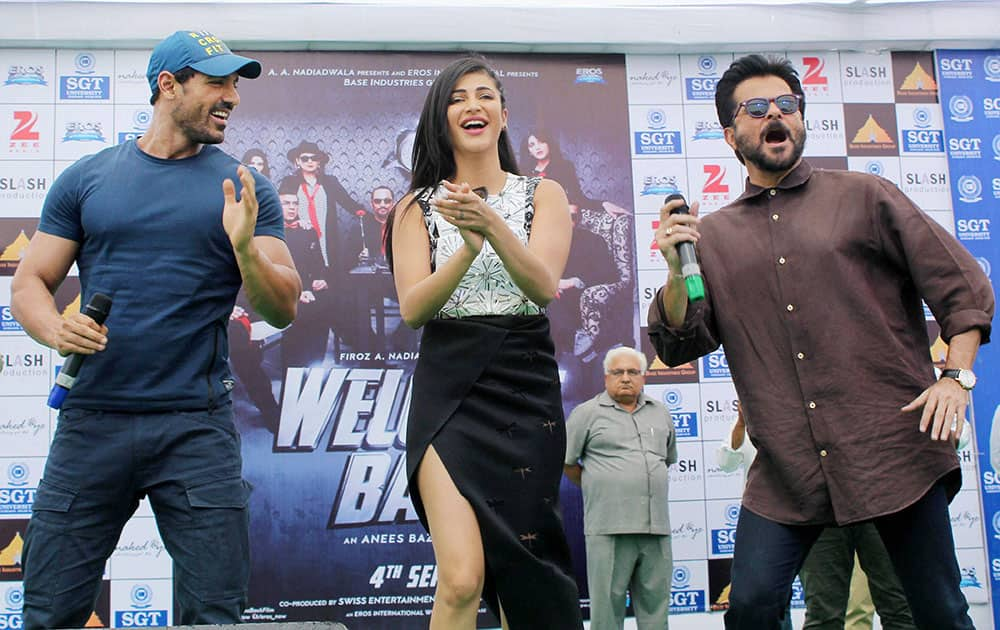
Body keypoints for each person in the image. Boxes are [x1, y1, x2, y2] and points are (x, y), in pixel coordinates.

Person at [647, 54, 993, 630]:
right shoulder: (713, 238)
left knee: (937, 611)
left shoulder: (866, 196)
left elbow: (962, 289)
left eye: (787, 105)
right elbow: (679, 342)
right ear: (732, 134)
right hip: (787, 469)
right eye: (756, 109)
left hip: (893, 453)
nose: (775, 115)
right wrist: (673, 268)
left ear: (803, 119)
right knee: (753, 606)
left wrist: (955, 378)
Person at [11, 30, 301, 627]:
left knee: (213, 616)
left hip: (196, 426)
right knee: (49, 612)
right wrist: (55, 330)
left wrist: (244, 246)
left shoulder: (245, 189)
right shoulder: (88, 178)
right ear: (167, 85)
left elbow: (283, 308)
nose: (233, 98)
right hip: (92, 421)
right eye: (217, 83)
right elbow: (29, 283)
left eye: (235, 86)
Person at [385, 55, 582, 629]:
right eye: (457, 98)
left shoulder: (543, 194)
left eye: (485, 95)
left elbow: (542, 287)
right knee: (462, 578)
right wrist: (466, 250)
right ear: (440, 119)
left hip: (525, 387)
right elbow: (414, 308)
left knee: (526, 570)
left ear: (503, 113)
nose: (473, 105)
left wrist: (489, 223)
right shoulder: (413, 208)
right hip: (448, 391)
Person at [717, 405, 918, 630]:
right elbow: (726, 461)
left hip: (877, 502)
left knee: (898, 608)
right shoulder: (766, 406)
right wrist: (742, 423)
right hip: (817, 508)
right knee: (822, 613)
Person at [564, 346, 676, 630]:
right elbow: (566, 463)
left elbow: (668, 459)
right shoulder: (586, 413)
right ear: (606, 378)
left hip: (655, 530)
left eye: (632, 372)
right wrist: (598, 483)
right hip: (608, 529)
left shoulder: (661, 412)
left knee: (656, 614)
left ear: (643, 378)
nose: (625, 378)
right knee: (606, 616)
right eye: (618, 372)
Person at [277, 179, 329, 371]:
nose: (292, 208)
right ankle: (292, 375)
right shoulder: (269, 232)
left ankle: (316, 370)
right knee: (298, 317)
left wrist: (321, 278)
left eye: (295, 203)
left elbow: (319, 264)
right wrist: (299, 292)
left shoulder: (308, 231)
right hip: (282, 292)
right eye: (286, 203)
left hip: (308, 290)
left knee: (326, 307)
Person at [519, 128, 627, 216]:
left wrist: (603, 204)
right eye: (532, 145)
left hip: (557, 218)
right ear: (529, 151)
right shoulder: (523, 171)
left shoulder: (564, 167)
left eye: (541, 142)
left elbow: (578, 198)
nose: (537, 147)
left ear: (549, 144)